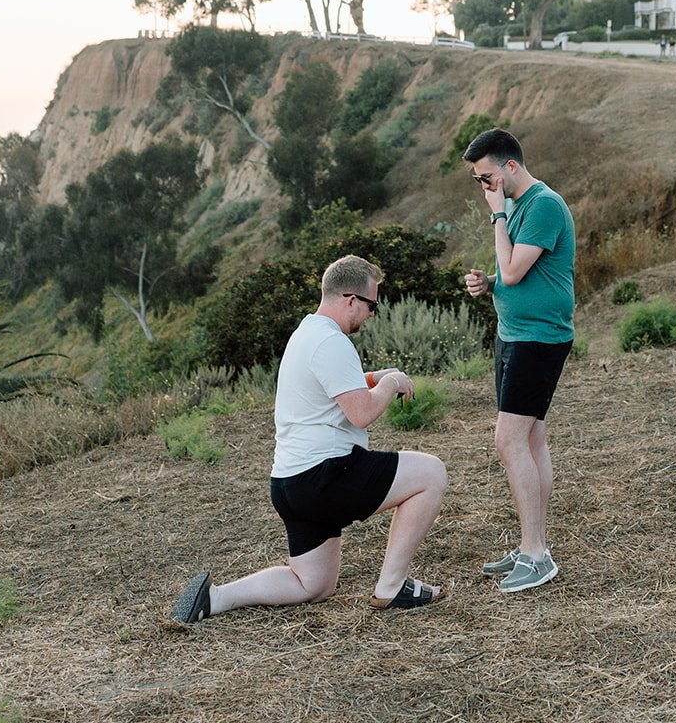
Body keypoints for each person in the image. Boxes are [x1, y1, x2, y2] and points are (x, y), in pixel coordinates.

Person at [170, 254, 447, 621]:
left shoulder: (307, 334)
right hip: (326, 475)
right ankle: (392, 586)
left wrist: (372, 378)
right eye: (372, 306)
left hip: (290, 484)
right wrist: (392, 383)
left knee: (312, 584)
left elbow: (329, 388)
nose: (372, 315)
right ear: (351, 299)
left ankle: (216, 597)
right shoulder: (332, 342)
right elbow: (361, 413)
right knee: (431, 473)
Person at [463, 127, 575, 594]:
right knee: (530, 440)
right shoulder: (520, 207)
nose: (486, 188)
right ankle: (535, 543)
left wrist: (497, 218)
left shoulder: (543, 205)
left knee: (509, 441)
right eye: (479, 181)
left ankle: (536, 554)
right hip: (513, 336)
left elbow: (514, 268)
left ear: (511, 166)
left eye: (488, 178)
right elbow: (512, 274)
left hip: (539, 339)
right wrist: (489, 284)